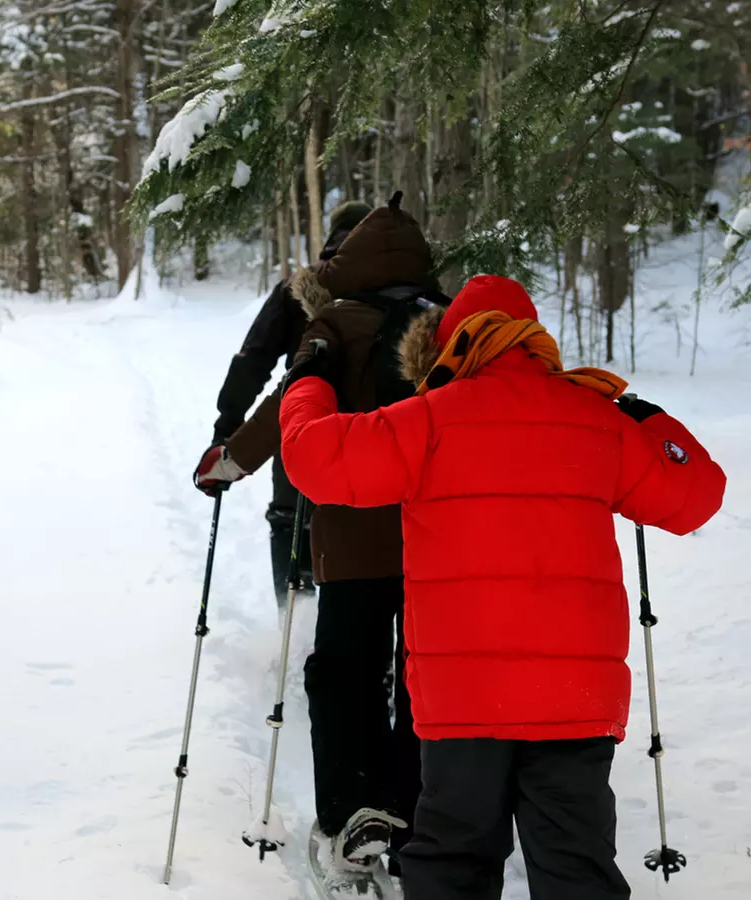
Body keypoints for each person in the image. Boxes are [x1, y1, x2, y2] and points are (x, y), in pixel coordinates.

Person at [277, 274, 727, 900]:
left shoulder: (429, 419)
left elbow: (310, 456)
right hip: (576, 699)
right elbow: (697, 495)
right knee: (577, 866)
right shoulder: (595, 418)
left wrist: (307, 381)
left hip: (464, 701)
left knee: (455, 858)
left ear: (453, 343)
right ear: (534, 338)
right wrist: (644, 415)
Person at [194, 194, 447, 885]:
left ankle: (350, 819)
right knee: (426, 680)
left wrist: (229, 457)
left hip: (352, 534)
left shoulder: (334, 322)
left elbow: (289, 399)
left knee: (342, 674)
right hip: (442, 541)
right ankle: (415, 816)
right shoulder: (454, 327)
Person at [194, 200, 372, 602]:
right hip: (372, 439)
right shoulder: (397, 292)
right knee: (366, 540)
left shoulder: (299, 285)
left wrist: (227, 430)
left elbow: (252, 361)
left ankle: (296, 631)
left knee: (291, 521)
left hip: (300, 426)